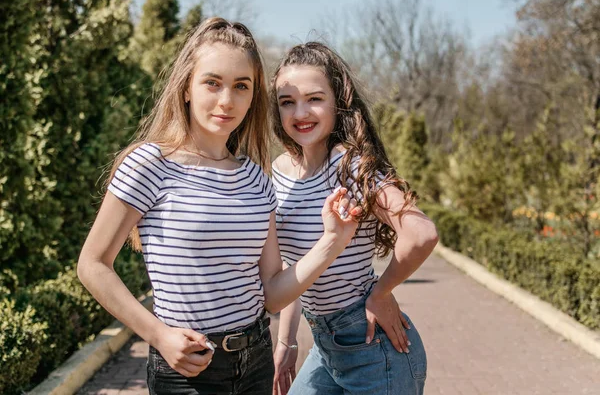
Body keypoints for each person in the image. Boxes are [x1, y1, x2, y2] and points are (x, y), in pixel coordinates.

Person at [77, 20, 361, 395]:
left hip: (255, 360)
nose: (227, 100)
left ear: (252, 97)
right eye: (212, 82)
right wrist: (158, 335)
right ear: (186, 88)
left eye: (241, 86)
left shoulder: (256, 179)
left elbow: (273, 292)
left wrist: (330, 243)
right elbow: (92, 265)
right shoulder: (150, 163)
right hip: (187, 369)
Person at [269, 42, 439, 395]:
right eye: (287, 102)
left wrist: (381, 292)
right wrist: (287, 343)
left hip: (373, 349)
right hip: (325, 346)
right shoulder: (279, 172)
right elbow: (296, 265)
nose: (300, 112)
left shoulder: (350, 165)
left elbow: (421, 233)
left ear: (338, 102)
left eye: (314, 98)